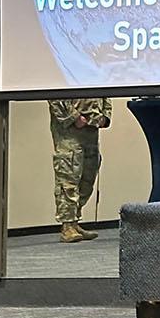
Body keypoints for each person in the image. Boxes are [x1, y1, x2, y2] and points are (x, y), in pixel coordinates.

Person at [47, 98, 112, 243]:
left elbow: (107, 93)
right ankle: (67, 226)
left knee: (87, 178)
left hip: (92, 129)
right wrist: (74, 117)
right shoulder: (63, 76)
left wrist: (105, 117)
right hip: (70, 132)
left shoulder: (97, 75)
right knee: (68, 178)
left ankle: (75, 222)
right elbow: (55, 96)